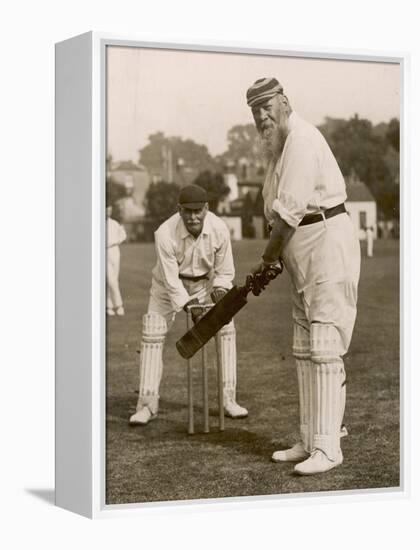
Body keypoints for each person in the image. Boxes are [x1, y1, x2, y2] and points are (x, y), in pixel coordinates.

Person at [246, 78, 361, 475]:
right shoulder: (277, 149)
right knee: (302, 346)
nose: (262, 115)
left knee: (325, 345)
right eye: (255, 110)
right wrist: (277, 258)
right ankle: (311, 438)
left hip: (326, 244)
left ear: (285, 102)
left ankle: (329, 449)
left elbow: (289, 215)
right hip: (301, 253)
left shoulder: (302, 140)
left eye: (267, 106)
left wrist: (266, 260)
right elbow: (277, 213)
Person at [129, 184, 248, 425]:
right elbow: (172, 281)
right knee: (152, 330)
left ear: (207, 208)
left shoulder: (219, 229)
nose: (193, 217)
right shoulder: (164, 233)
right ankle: (147, 404)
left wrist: (220, 290)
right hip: (166, 288)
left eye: (198, 211)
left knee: (226, 328)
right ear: (179, 210)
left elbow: (225, 271)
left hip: (205, 285)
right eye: (187, 211)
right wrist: (189, 306)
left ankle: (228, 400)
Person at [106, 205, 127, 316]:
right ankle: (119, 305)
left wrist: (117, 241)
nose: (108, 212)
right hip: (104, 252)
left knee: (114, 279)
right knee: (111, 280)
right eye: (106, 210)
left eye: (110, 210)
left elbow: (123, 235)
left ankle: (109, 306)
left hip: (114, 251)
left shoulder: (114, 223)